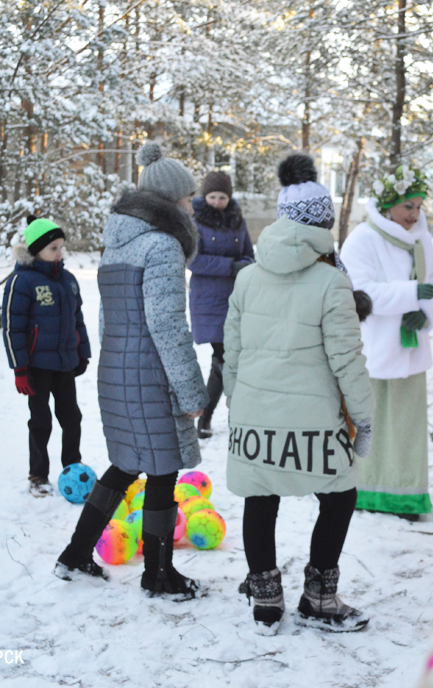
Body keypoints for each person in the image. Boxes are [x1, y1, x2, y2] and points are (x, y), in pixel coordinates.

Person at [224, 154, 375, 634]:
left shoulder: (246, 277)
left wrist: (239, 405)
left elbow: (232, 353)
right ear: (324, 226)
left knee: (259, 496)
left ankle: (266, 602)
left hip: (252, 416)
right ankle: (319, 598)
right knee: (340, 495)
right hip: (314, 423)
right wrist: (364, 419)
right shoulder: (333, 282)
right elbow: (347, 361)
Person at [54, 142, 210, 599]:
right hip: (152, 374)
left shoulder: (117, 243)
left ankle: (76, 554)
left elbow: (105, 321)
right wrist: (192, 392)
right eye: (187, 199)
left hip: (118, 370)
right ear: (170, 202)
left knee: (124, 465)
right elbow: (167, 327)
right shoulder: (162, 247)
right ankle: (159, 575)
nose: (192, 206)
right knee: (162, 472)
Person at [339, 165, 433, 520]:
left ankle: (405, 495)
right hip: (372, 350)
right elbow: (360, 292)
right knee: (368, 426)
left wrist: (426, 313)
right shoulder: (363, 238)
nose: (414, 215)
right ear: (388, 206)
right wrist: (410, 295)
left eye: (418, 207)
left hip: (410, 350)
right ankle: (361, 491)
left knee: (405, 429)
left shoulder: (422, 240)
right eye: (408, 207)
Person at [1, 216, 91, 497]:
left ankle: (72, 468)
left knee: (72, 418)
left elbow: (78, 319)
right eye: (53, 248)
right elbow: (12, 327)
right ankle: (38, 475)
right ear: (36, 250)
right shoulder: (22, 281)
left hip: (64, 364)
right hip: (36, 367)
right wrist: (20, 369)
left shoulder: (68, 280)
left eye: (61, 247)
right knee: (41, 421)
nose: (59, 253)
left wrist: (82, 353)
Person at [187, 171, 254, 439]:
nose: (217, 202)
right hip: (208, 299)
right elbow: (193, 260)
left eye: (222, 197)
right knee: (225, 356)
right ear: (206, 196)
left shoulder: (238, 219)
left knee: (227, 357)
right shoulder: (195, 220)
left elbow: (249, 254)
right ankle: (214, 416)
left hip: (236, 298)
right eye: (213, 196)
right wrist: (230, 266)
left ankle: (209, 417)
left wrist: (245, 266)